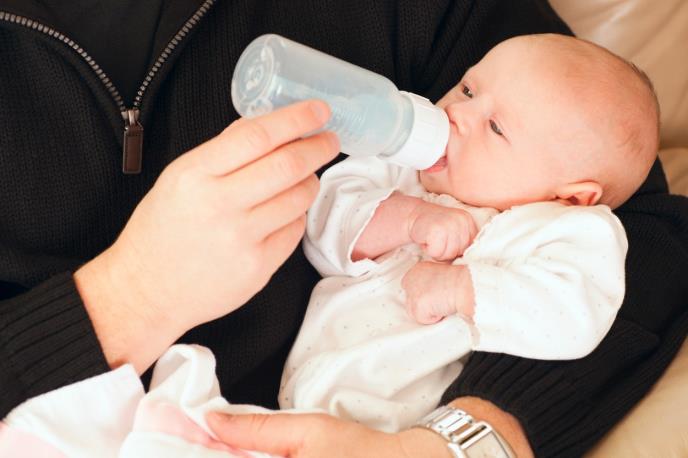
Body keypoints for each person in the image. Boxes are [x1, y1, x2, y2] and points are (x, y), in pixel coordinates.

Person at [1, 1, 687, 457]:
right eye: (467, 88)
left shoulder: (564, 229)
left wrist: (461, 436)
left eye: (496, 126)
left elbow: (625, 264)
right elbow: (333, 212)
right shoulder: (405, 173)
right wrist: (127, 298)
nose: (455, 112)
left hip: (394, 417)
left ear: (572, 196)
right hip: (204, 404)